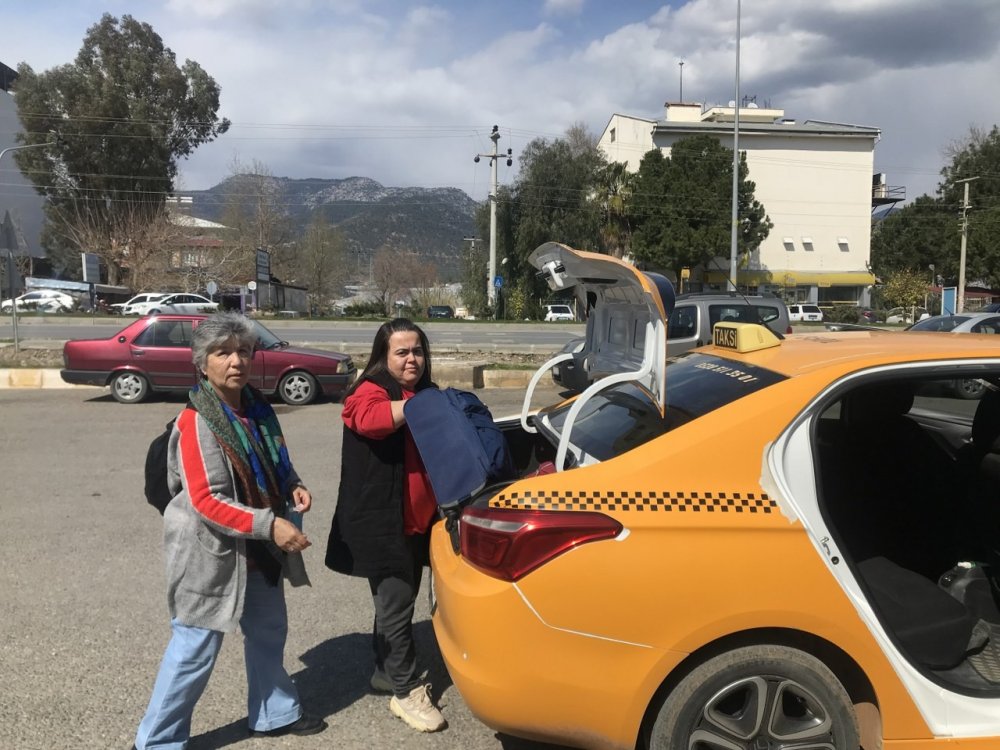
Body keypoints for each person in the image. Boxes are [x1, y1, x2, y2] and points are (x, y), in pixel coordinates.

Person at [133, 312, 326, 750]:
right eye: (223, 353)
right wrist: (270, 525)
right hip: (211, 553)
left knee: (268, 631)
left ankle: (273, 712)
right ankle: (156, 741)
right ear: (202, 364)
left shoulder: (256, 410)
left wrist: (293, 485)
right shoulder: (196, 422)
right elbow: (207, 501)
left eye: (243, 351)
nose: (236, 361)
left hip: (257, 549)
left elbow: (277, 463)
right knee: (194, 649)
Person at [325, 317, 447, 733]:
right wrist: (418, 406)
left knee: (395, 602)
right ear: (383, 356)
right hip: (383, 523)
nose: (412, 358)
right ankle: (406, 691)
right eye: (402, 352)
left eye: (417, 351)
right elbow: (366, 418)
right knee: (396, 607)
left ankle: (383, 671)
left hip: (417, 521)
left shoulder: (422, 390)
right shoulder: (370, 390)